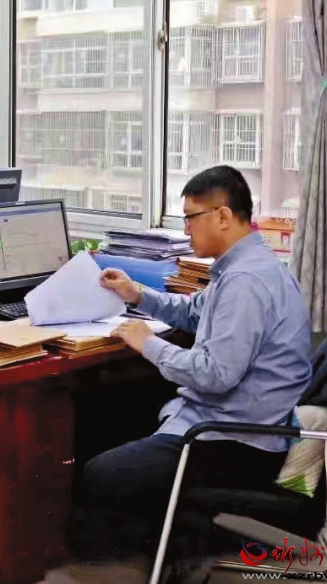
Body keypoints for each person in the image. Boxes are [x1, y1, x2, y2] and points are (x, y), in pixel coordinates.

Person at [59, 166, 313, 583]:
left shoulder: (246, 281)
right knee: (100, 413)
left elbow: (215, 375)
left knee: (102, 473)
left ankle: (173, 544)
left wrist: (149, 343)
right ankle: (165, 532)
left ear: (223, 216)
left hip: (233, 441)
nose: (186, 230)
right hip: (231, 421)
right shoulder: (245, 267)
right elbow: (195, 312)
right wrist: (137, 294)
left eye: (191, 218)